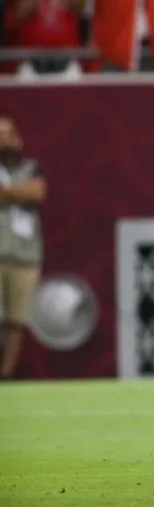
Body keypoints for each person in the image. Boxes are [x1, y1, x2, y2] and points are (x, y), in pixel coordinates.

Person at [0, 116, 46, 379]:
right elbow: (25, 193)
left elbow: (37, 193)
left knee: (16, 318)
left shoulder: (31, 167)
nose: (2, 138)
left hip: (24, 253)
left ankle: (6, 373)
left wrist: (7, 192)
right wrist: (18, 192)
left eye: (7, 133)